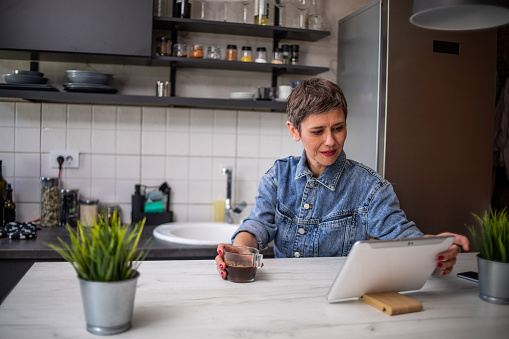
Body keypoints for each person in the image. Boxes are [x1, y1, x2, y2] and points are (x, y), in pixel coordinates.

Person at [215, 77, 469, 279]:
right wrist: (240, 250)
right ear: (294, 131)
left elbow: (401, 235)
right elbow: (258, 225)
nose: (331, 141)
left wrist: (433, 246)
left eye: (338, 128)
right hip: (284, 298)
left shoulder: (370, 187)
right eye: (318, 131)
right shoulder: (278, 176)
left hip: (340, 299)